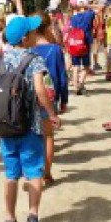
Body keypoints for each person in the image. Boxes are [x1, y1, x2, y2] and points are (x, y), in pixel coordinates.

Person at [0, 15, 60, 222]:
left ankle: (9, 219)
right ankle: (33, 217)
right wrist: (52, 114)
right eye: (33, 32)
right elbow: (40, 91)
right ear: (26, 38)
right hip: (31, 126)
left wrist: (2, 108)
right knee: (35, 172)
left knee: (11, 174)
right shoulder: (34, 59)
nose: (35, 35)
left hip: (6, 127)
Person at [32, 13, 68, 185]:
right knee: (48, 136)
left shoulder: (27, 50)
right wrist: (64, 100)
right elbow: (62, 77)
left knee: (32, 136)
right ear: (48, 28)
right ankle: (46, 173)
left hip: (30, 98)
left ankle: (33, 174)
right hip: (49, 96)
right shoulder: (55, 49)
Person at [68, 0, 96, 95]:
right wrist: (88, 6)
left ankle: (75, 87)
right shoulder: (89, 14)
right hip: (85, 43)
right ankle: (80, 83)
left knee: (75, 66)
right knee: (86, 66)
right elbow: (101, 8)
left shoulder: (73, 17)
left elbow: (70, 28)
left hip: (75, 43)